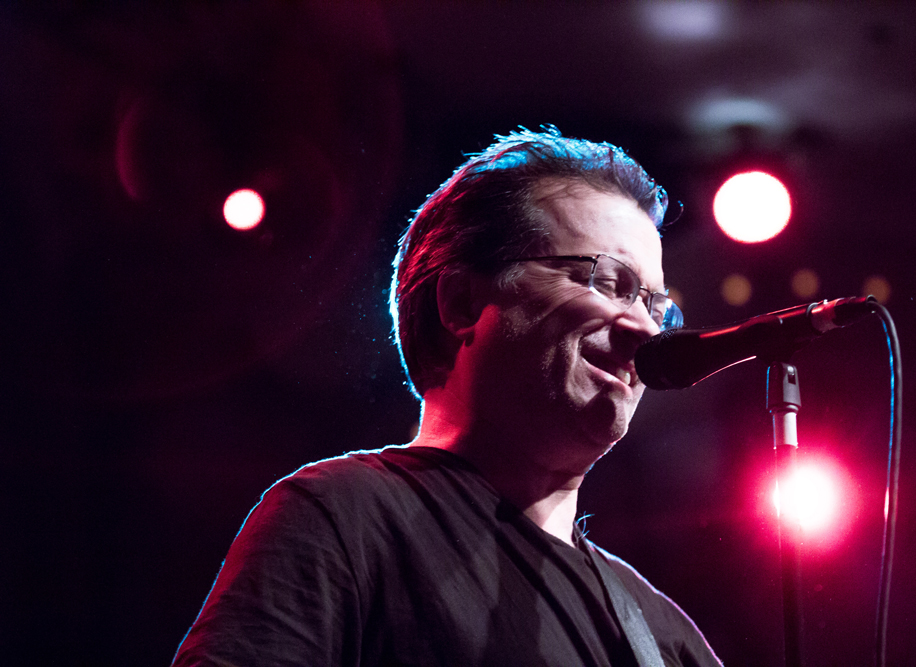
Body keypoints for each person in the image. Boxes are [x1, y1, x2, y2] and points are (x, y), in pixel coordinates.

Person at [172, 127, 723, 666]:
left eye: (655, 306)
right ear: (460, 304)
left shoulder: (662, 633)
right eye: (608, 282)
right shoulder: (346, 518)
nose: (648, 332)